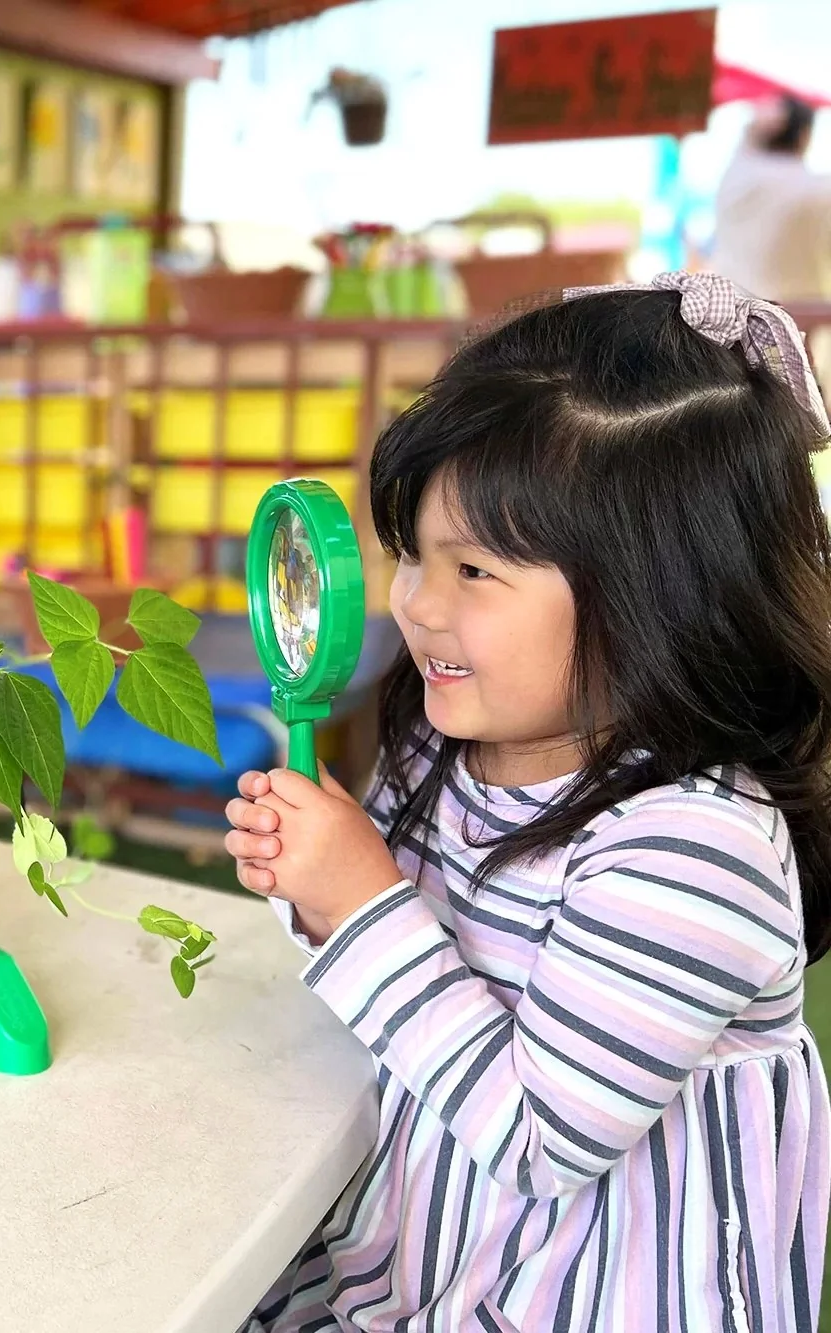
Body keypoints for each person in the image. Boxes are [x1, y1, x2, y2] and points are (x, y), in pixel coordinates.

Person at [229, 272, 831, 1329]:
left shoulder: (697, 847)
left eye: (472, 570)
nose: (415, 603)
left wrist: (358, 899)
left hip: (598, 1294)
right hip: (440, 1246)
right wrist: (313, 879)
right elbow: (394, 963)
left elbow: (541, 1139)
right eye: (412, 554)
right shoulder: (447, 741)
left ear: (659, 594)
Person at [711, 94, 831, 302]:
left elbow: (747, 142)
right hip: (805, 317)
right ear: (805, 136)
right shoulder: (819, 190)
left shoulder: (734, 180)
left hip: (732, 312)